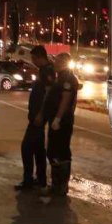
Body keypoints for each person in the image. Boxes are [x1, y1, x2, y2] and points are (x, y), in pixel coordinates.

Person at [15, 46, 55, 191]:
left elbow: (48, 94)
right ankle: (41, 179)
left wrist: (41, 113)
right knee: (38, 149)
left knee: (26, 147)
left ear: (39, 57)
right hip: (37, 116)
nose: (32, 61)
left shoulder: (47, 71)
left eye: (33, 58)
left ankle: (28, 180)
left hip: (38, 117)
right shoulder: (45, 70)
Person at [43, 52, 79, 197]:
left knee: (60, 151)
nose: (55, 64)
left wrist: (58, 118)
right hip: (58, 120)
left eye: (58, 62)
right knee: (54, 151)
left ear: (64, 63)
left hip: (62, 122)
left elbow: (66, 99)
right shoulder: (61, 77)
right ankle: (57, 184)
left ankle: (60, 186)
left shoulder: (67, 78)